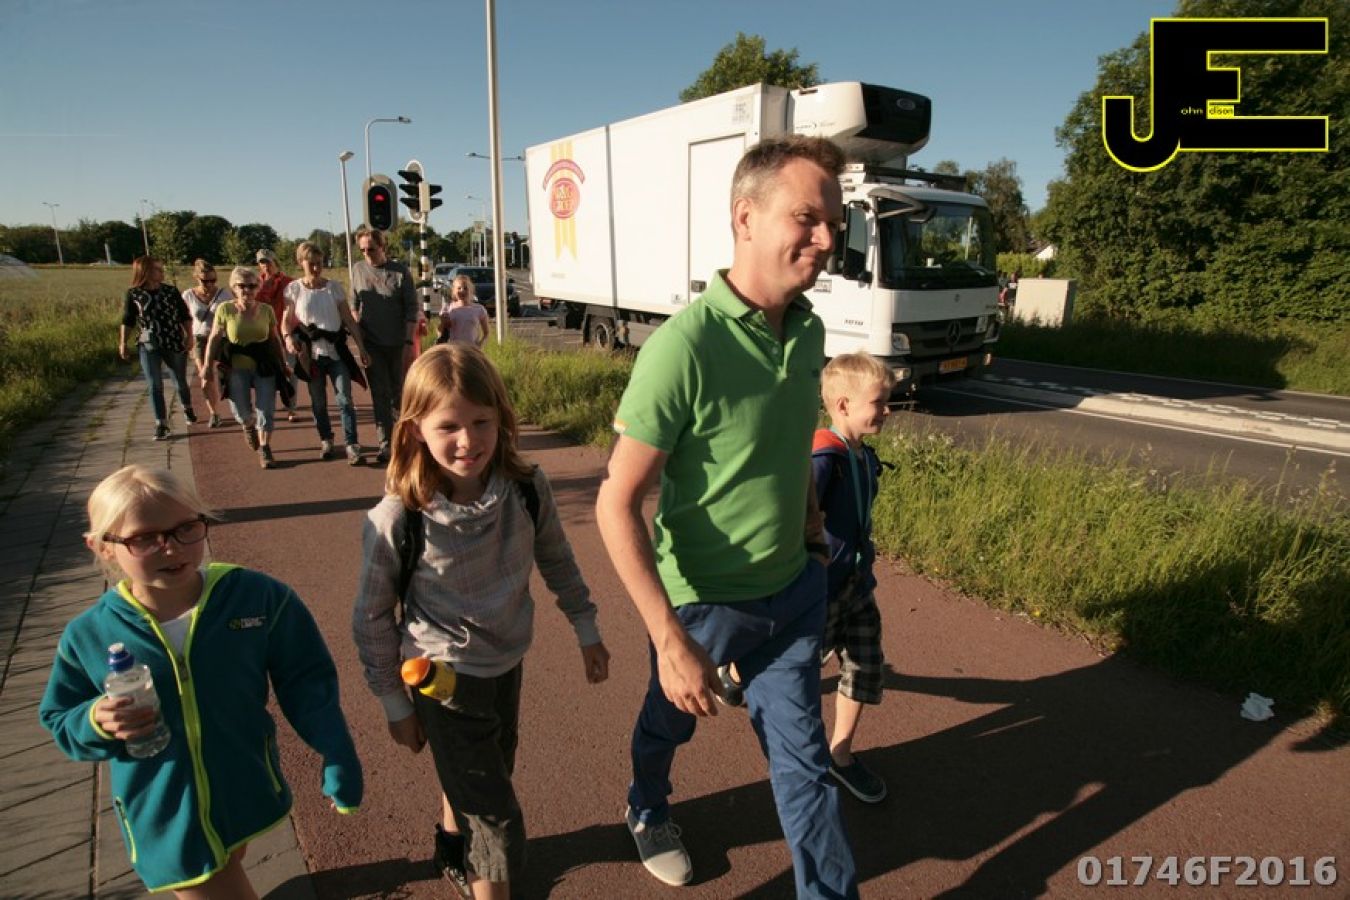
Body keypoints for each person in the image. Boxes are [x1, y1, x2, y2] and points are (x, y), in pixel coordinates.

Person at [594, 135, 858, 898]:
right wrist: (669, 640)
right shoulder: (683, 348)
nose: (826, 239)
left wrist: (814, 542)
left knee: (806, 773)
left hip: (793, 594)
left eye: (833, 224)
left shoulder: (808, 330)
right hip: (704, 603)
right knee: (669, 721)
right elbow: (615, 502)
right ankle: (647, 805)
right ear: (746, 218)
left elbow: (790, 446)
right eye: (807, 218)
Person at [353, 343, 610, 900]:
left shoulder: (526, 488)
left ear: (501, 418)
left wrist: (585, 627)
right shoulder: (400, 515)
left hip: (505, 661)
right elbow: (371, 615)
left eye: (481, 422)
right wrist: (395, 704)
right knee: (494, 814)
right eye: (448, 426)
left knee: (491, 769)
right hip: (440, 675)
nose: (467, 441)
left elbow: (557, 558)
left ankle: (452, 844)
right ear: (415, 430)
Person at [38, 464, 362, 899]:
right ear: (102, 547)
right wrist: (95, 720)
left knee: (230, 855)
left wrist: (336, 747)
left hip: (243, 788)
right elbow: (59, 717)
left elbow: (306, 680)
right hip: (166, 813)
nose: (171, 548)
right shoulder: (88, 634)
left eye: (186, 528)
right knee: (212, 877)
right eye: (144, 538)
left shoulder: (257, 597)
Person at [808, 352, 895, 803]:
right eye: (878, 402)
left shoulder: (861, 455)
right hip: (820, 590)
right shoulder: (824, 457)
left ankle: (838, 754)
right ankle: (740, 668)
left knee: (864, 663)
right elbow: (793, 520)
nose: (887, 410)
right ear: (843, 405)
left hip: (858, 584)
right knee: (798, 672)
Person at [282, 241, 371, 465]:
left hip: (336, 351)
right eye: (311, 264)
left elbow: (348, 319)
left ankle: (351, 444)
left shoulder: (333, 288)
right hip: (311, 354)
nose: (316, 268)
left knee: (345, 399)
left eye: (319, 263)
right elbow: (286, 320)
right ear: (301, 263)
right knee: (318, 401)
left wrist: (361, 347)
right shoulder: (294, 289)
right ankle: (326, 439)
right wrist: (288, 338)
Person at [202, 266, 292, 469]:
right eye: (242, 286)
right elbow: (214, 338)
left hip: (263, 364)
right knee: (241, 410)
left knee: (266, 408)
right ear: (233, 288)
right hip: (236, 367)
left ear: (258, 288)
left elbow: (274, 339)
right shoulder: (225, 309)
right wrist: (207, 365)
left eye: (252, 286)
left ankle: (265, 447)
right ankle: (248, 424)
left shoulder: (266, 310)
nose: (247, 290)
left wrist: (284, 364)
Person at [351, 227, 418, 465]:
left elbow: (412, 309)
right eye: (362, 250)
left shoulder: (400, 273)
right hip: (372, 344)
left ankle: (405, 440)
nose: (366, 254)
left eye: (371, 249)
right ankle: (385, 444)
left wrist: (408, 342)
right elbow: (354, 304)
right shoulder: (358, 270)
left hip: (398, 343)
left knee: (399, 393)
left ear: (382, 247)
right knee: (380, 394)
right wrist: (360, 340)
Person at [120, 256, 194, 441]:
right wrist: (123, 343)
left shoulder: (170, 291)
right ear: (145, 271)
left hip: (173, 341)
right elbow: (128, 320)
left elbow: (184, 315)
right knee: (154, 384)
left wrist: (189, 336)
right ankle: (161, 423)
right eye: (157, 269)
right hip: (148, 344)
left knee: (179, 381)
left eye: (162, 269)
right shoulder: (134, 294)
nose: (162, 272)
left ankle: (187, 407)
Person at [182, 259, 230, 428]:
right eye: (205, 281)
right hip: (200, 338)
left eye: (212, 280)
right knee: (206, 375)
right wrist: (186, 337)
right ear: (196, 278)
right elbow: (183, 318)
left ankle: (237, 402)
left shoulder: (224, 294)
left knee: (227, 375)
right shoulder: (188, 295)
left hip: (222, 338)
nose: (209, 284)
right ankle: (214, 413)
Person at [255, 249, 299, 422]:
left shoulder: (289, 282)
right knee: (269, 373)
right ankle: (269, 406)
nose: (266, 265)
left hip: (287, 332)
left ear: (275, 262)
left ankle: (291, 408)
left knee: (291, 370)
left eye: (268, 261)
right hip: (265, 335)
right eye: (262, 262)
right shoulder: (255, 283)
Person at [437, 274, 490, 346]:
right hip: (454, 349)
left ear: (471, 290)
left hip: (472, 349)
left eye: (465, 288)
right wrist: (443, 323)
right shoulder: (448, 308)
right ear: (454, 291)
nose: (462, 291)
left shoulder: (479, 309)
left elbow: (486, 333)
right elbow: (440, 332)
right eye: (459, 288)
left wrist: (480, 344)